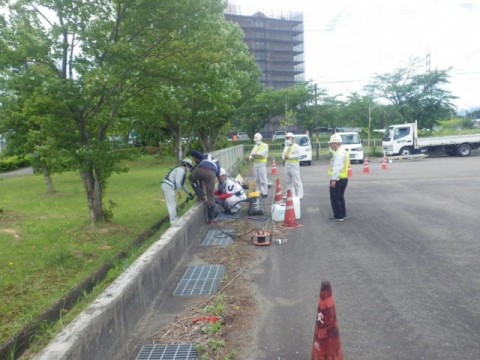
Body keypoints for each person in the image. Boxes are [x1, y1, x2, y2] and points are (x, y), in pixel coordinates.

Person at [189, 150, 221, 224]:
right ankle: (212, 220)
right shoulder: (217, 162)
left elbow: (194, 153)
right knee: (210, 196)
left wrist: (192, 155)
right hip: (212, 173)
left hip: (201, 169)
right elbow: (218, 174)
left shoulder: (204, 156)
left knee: (191, 179)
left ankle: (201, 195)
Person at [161, 158, 195, 225]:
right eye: (190, 166)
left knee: (172, 203)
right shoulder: (181, 170)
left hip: (166, 185)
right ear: (187, 165)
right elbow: (177, 181)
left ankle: (175, 218)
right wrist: (178, 192)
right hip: (168, 186)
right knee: (171, 204)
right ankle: (173, 221)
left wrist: (189, 193)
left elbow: (183, 185)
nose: (189, 168)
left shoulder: (181, 170)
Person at [328, 133, 350, 222]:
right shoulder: (343, 151)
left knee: (335, 198)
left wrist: (333, 180)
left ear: (335, 144)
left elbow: (337, 167)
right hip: (343, 178)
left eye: (331, 143)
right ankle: (342, 214)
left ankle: (338, 216)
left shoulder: (339, 154)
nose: (330, 145)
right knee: (340, 197)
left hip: (338, 179)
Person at [281, 132, 304, 199]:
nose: (287, 139)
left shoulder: (296, 146)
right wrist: (284, 157)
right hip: (287, 166)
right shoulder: (286, 147)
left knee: (297, 181)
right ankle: (290, 194)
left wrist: (290, 157)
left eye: (288, 138)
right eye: (286, 138)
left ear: (293, 139)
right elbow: (283, 154)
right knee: (288, 181)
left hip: (294, 166)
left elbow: (299, 155)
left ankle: (300, 195)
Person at [249, 132, 269, 198]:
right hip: (255, 164)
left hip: (262, 164)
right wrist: (251, 157)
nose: (257, 141)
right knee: (257, 179)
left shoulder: (265, 145)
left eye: (258, 140)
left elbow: (263, 153)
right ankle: (258, 191)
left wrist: (256, 154)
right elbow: (251, 154)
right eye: (256, 140)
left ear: (261, 139)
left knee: (263, 179)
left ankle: (264, 192)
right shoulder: (255, 147)